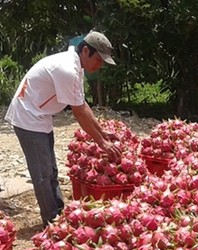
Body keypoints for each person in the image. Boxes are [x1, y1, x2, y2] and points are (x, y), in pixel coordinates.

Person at [4, 31, 122, 226]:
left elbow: (83, 105)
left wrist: (102, 132)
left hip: (40, 116)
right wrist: (101, 142)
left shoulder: (77, 67)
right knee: (42, 174)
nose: (100, 66)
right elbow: (78, 112)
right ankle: (51, 222)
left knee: (51, 170)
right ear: (86, 51)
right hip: (28, 117)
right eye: (99, 60)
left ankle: (59, 214)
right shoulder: (67, 69)